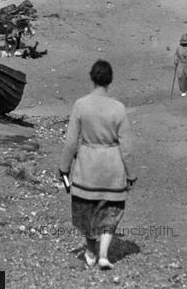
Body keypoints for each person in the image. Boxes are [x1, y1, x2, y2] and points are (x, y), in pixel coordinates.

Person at [59, 60, 136, 270]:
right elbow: (127, 146)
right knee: (111, 210)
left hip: (87, 168)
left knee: (87, 210)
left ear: (92, 78)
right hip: (113, 169)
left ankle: (91, 250)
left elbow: (71, 142)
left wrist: (64, 168)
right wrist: (131, 174)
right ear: (110, 80)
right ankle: (103, 255)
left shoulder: (81, 105)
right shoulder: (118, 108)